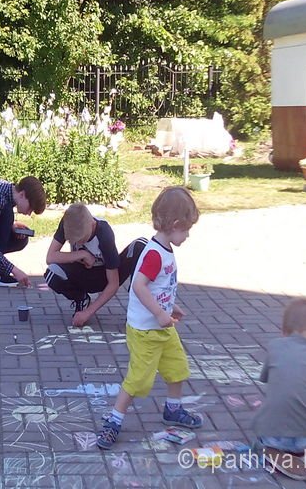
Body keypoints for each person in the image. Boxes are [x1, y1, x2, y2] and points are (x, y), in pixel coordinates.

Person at [97, 186, 202, 449]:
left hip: (162, 327)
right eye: (187, 230)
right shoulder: (155, 254)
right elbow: (139, 286)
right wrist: (158, 312)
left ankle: (173, 409)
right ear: (175, 224)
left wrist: (170, 306)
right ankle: (114, 420)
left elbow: (158, 288)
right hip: (146, 331)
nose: (188, 235)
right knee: (138, 379)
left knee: (177, 367)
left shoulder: (164, 250)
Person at [252, 298, 306, 481]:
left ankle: (272, 448)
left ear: (283, 332)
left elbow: (268, 381)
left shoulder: (274, 347)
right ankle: (295, 451)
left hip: (270, 433)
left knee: (277, 392)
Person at [44, 203, 147, 326]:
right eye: (74, 241)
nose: (78, 243)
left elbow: (113, 284)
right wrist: (82, 254)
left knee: (141, 244)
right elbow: (50, 257)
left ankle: (136, 309)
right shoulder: (69, 221)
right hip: (83, 273)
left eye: (82, 240)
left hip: (105, 276)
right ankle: (81, 298)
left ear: (92, 225)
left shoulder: (104, 233)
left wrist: (87, 313)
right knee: (52, 273)